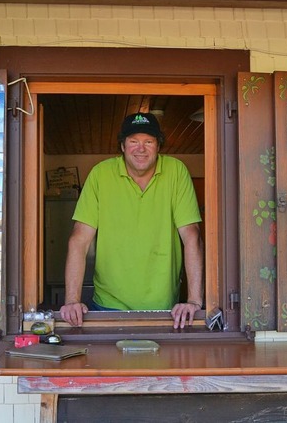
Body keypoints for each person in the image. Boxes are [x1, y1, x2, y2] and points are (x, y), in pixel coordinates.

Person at [59, 112, 204, 329]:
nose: (141, 148)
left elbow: (192, 236)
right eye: (133, 141)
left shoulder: (176, 171)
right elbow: (79, 240)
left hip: (164, 309)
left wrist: (194, 301)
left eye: (149, 141)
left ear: (158, 146)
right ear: (122, 146)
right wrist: (71, 301)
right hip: (107, 305)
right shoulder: (100, 174)